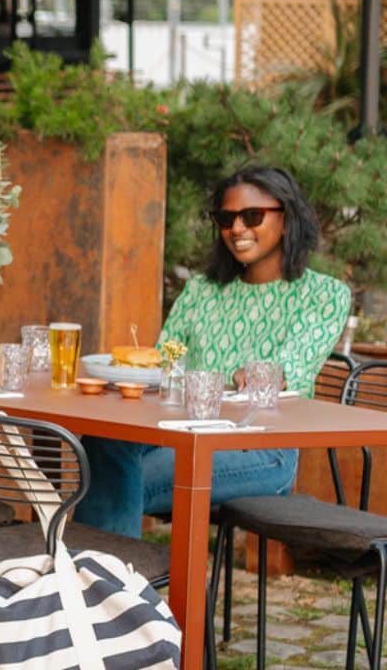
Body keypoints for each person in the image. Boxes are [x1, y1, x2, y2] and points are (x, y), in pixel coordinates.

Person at [79, 166, 350, 537]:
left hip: (260, 450)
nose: (237, 229)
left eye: (252, 216)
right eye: (226, 218)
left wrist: (258, 374)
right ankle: (110, 585)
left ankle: (112, 588)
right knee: (103, 443)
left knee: (109, 484)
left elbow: (292, 366)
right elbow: (164, 365)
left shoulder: (324, 295)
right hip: (177, 434)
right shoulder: (202, 291)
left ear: (287, 219)